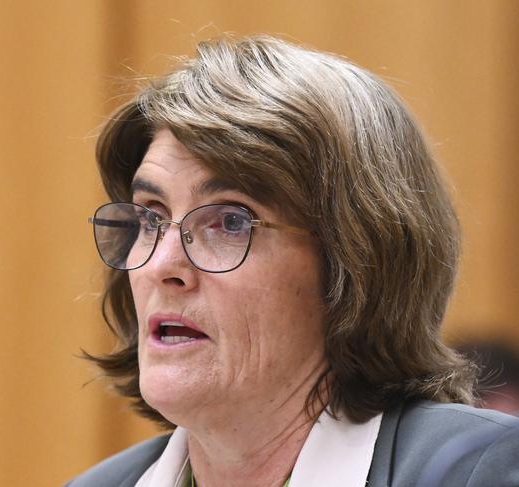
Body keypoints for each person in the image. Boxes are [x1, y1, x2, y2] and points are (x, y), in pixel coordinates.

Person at [66, 36, 519, 486]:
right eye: (151, 217)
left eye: (230, 221)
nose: (162, 265)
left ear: (354, 263)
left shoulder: (479, 471)